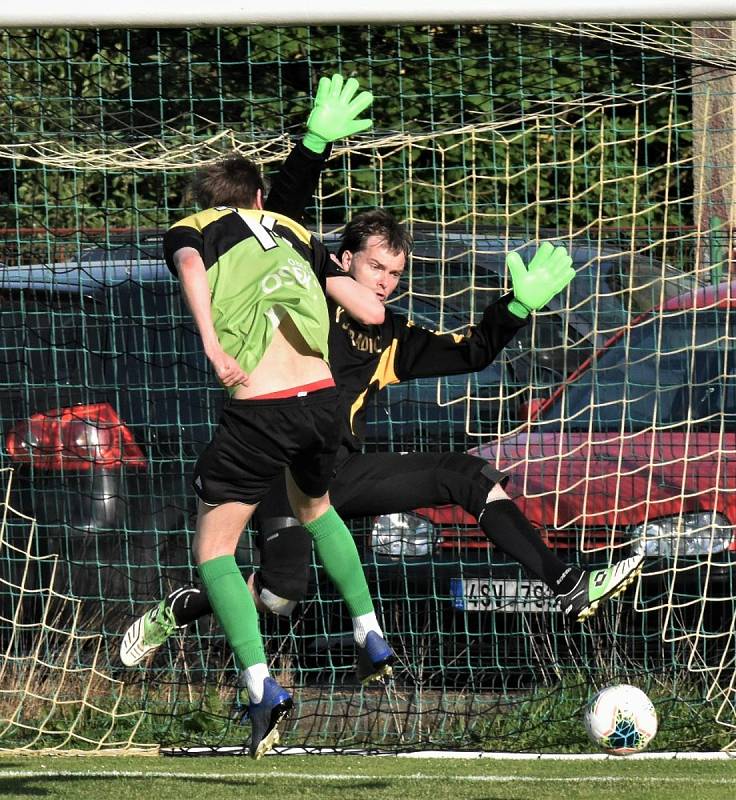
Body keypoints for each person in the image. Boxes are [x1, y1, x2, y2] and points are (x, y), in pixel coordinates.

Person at [122, 85, 644, 683]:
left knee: (468, 475)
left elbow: (469, 352)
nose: (386, 281)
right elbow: (275, 214)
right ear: (342, 260)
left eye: (396, 273)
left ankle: (569, 583)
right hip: (277, 464)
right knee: (280, 595)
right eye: (375, 267)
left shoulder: (387, 333)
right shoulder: (305, 278)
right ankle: (187, 606)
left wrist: (517, 307)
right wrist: (314, 144)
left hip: (334, 468)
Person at [132, 74, 396, 761]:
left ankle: (260, 685)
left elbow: (190, 263)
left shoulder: (194, 228)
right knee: (317, 508)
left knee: (215, 552)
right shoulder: (291, 228)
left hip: (265, 409)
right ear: (258, 198)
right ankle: (369, 629)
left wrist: (214, 342)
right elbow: (369, 310)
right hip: (324, 401)